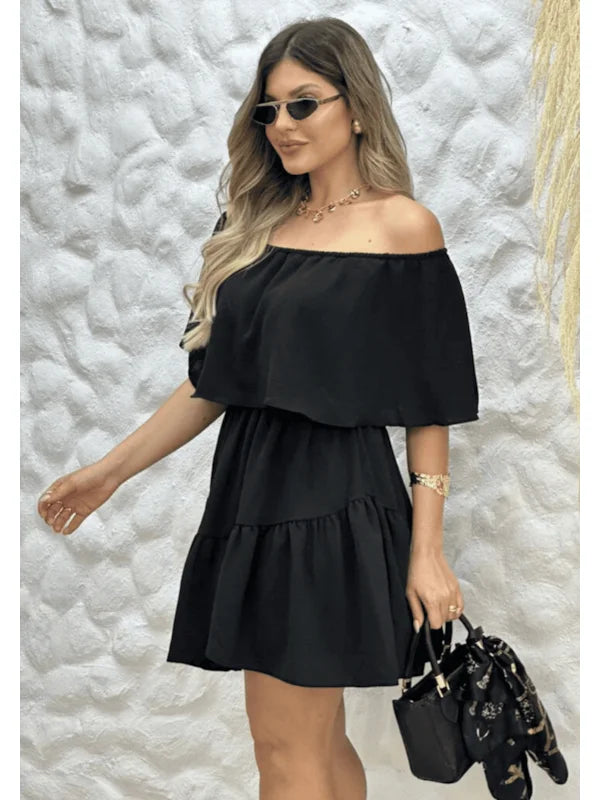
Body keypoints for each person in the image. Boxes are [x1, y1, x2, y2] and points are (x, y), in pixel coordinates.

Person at [36, 17, 479, 800]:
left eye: (303, 104)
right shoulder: (252, 226)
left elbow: (430, 401)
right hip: (251, 495)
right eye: (268, 110)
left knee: (285, 749)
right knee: (314, 743)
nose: (281, 125)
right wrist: (109, 473)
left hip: (333, 499)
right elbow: (216, 383)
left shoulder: (402, 226)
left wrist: (427, 548)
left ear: (356, 108)